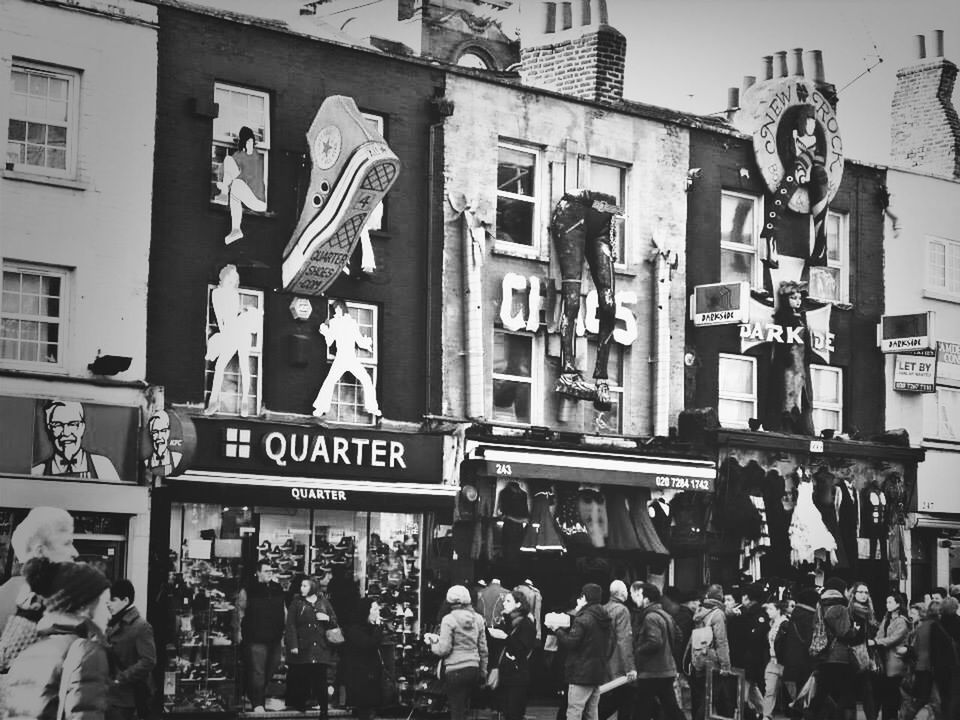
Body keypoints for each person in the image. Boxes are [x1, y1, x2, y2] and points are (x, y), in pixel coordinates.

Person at [5, 558, 112, 720]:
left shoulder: (27, 653)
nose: (109, 614)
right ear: (84, 608)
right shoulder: (85, 652)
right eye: (105, 604)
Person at [549, 190, 622, 409]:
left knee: (609, 304)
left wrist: (612, 211)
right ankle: (568, 374)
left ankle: (601, 378)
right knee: (572, 299)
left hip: (604, 214)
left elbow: (618, 210)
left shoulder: (610, 208)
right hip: (574, 210)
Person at [204, 264, 261, 417]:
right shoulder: (216, 293)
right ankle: (213, 402)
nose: (232, 281)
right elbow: (220, 317)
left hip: (239, 332)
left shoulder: (234, 295)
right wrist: (225, 335)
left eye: (235, 279)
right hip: (230, 332)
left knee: (244, 366)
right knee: (219, 365)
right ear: (224, 277)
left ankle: (244, 404)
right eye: (230, 277)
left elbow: (232, 316)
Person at [426, 585, 488, 720]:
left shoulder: (448, 619)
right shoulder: (478, 619)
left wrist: (432, 643)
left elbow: (444, 649)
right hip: (473, 669)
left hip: (455, 670)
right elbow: (483, 649)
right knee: (467, 709)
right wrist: (483, 672)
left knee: (456, 710)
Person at [312, 300, 381, 418]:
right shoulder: (333, 323)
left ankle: (373, 408)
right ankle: (320, 408)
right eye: (335, 309)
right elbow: (329, 342)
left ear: (343, 308)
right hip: (340, 357)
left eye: (338, 309)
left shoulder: (352, 323)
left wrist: (367, 344)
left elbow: (358, 340)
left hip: (351, 357)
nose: (336, 311)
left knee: (366, 379)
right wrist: (325, 331)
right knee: (330, 381)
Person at [552, 583, 612, 720]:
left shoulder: (583, 619)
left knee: (574, 711)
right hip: (597, 672)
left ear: (585, 597)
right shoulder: (604, 617)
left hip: (580, 673)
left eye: (581, 597)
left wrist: (557, 630)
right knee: (591, 712)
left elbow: (570, 643)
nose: (578, 600)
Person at [630, 582, 685, 720]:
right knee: (670, 707)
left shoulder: (650, 617)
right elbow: (679, 636)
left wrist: (637, 650)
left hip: (652, 672)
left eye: (639, 595)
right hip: (666, 669)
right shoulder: (665, 615)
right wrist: (668, 652)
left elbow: (654, 642)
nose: (635, 599)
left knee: (642, 709)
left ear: (647, 599)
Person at [236, 561, 286, 713]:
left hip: (275, 637)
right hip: (255, 637)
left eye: (271, 570)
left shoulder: (278, 588)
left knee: (271, 668)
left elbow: (283, 610)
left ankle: (254, 695)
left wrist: (285, 631)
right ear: (258, 572)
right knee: (258, 671)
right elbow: (240, 611)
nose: (269, 573)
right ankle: (258, 703)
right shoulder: (249, 590)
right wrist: (238, 631)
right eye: (265, 570)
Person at [284, 577, 339, 715]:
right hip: (304, 645)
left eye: (305, 586)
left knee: (321, 679)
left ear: (313, 587)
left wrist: (326, 618)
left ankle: (324, 710)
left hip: (320, 646)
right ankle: (302, 704)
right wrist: (293, 644)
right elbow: (291, 625)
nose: (302, 588)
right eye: (301, 586)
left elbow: (334, 621)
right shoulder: (296, 604)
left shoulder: (323, 602)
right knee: (303, 677)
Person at [105, 579, 156, 720]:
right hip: (109, 696)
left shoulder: (141, 626)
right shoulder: (111, 622)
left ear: (125, 600)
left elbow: (148, 661)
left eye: (112, 600)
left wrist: (120, 679)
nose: (108, 603)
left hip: (126, 699)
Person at [31, 401, 120, 480]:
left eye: (72, 424)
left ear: (82, 427)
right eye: (57, 425)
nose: (66, 433)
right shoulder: (37, 472)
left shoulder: (102, 466)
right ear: (49, 429)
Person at [816, 577, 862, 720]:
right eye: (846, 589)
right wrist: (855, 630)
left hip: (823, 654)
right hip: (839, 655)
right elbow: (844, 632)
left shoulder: (820, 606)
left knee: (824, 692)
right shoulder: (841, 608)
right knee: (846, 693)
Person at [490, 590, 537, 720]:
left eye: (508, 601)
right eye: (504, 600)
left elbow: (522, 649)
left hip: (517, 675)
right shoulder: (508, 621)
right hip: (505, 673)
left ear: (518, 604)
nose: (504, 603)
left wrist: (505, 637)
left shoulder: (526, 624)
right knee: (506, 711)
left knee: (513, 712)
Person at [689, 584, 733, 720]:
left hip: (698, 657)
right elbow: (721, 641)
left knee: (702, 695)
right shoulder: (717, 614)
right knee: (712, 696)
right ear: (721, 598)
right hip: (713, 660)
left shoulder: (699, 611)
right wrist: (725, 665)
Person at [867, 592, 909, 720]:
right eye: (887, 602)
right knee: (886, 691)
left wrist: (876, 642)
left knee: (892, 691)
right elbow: (880, 633)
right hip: (884, 658)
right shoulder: (887, 619)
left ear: (898, 604)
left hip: (895, 659)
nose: (887, 605)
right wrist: (876, 640)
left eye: (890, 602)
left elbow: (894, 638)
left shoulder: (902, 621)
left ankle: (891, 716)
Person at [221, 126, 267, 245]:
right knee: (228, 160)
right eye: (247, 141)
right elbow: (230, 165)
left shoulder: (258, 157)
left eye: (251, 141)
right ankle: (235, 229)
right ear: (244, 142)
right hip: (249, 198)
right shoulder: (240, 155)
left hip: (259, 201)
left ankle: (224, 193)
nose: (250, 144)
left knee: (236, 184)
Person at [341, 597, 385, 720]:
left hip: (371, 681)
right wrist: (378, 628)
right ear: (366, 611)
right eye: (375, 609)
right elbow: (369, 645)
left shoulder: (370, 629)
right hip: (360, 682)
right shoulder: (355, 630)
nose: (378, 613)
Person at [599, 580, 635, 720]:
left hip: (605, 661)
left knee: (612, 698)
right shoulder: (622, 610)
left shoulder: (603, 608)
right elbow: (623, 640)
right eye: (626, 590)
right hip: (618, 664)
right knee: (624, 699)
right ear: (621, 593)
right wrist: (630, 667)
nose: (628, 593)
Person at [848, 581, 878, 720]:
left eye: (866, 592)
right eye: (860, 592)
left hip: (865, 654)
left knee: (867, 691)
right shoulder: (851, 611)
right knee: (854, 691)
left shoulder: (868, 613)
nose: (864, 595)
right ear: (853, 594)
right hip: (852, 654)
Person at [761, 601, 789, 720]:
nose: (768, 611)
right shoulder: (770, 624)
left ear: (778, 610)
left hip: (783, 662)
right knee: (769, 691)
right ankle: (766, 716)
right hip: (773, 661)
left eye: (771, 609)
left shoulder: (785, 624)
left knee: (793, 692)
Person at [143, 411, 182, 477]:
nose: (159, 437)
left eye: (163, 431)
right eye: (155, 432)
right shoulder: (147, 461)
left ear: (168, 433)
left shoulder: (176, 458)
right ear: (151, 434)